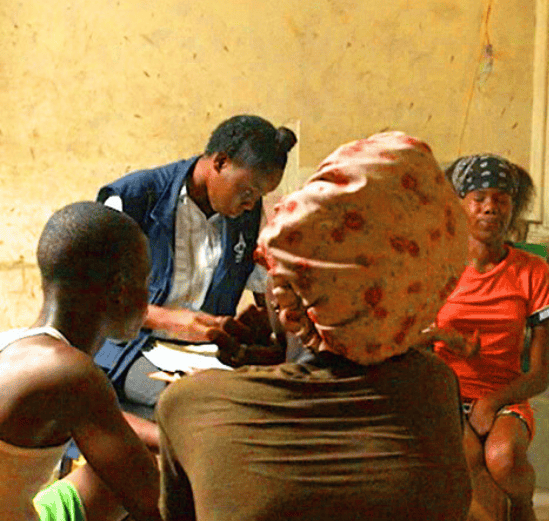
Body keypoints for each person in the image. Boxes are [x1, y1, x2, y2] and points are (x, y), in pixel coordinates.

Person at [154, 131, 472, 520]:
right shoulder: (434, 386)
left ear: (285, 294)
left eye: (269, 265)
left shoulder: (192, 403)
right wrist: (285, 351)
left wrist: (281, 353)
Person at [94, 114, 296, 420]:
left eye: (259, 196)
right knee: (197, 406)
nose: (251, 204)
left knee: (263, 402)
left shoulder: (247, 217)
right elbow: (93, 300)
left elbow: (265, 296)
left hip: (206, 355)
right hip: (128, 348)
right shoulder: (133, 198)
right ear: (221, 162)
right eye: (248, 191)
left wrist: (265, 327)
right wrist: (170, 321)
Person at [0, 202, 161, 521]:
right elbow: (153, 504)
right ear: (119, 290)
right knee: (160, 484)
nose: (149, 298)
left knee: (118, 470)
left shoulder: (16, 344)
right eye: (145, 282)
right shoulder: (73, 374)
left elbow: (104, 420)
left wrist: (166, 437)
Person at [422, 154, 549, 521]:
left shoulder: (534, 271)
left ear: (513, 208)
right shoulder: (438, 267)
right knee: (467, 459)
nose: (490, 208)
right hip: (444, 396)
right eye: (479, 198)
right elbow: (406, 344)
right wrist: (444, 336)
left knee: (504, 459)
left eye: (501, 199)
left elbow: (540, 375)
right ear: (458, 205)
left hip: (505, 397)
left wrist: (491, 402)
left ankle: (523, 509)